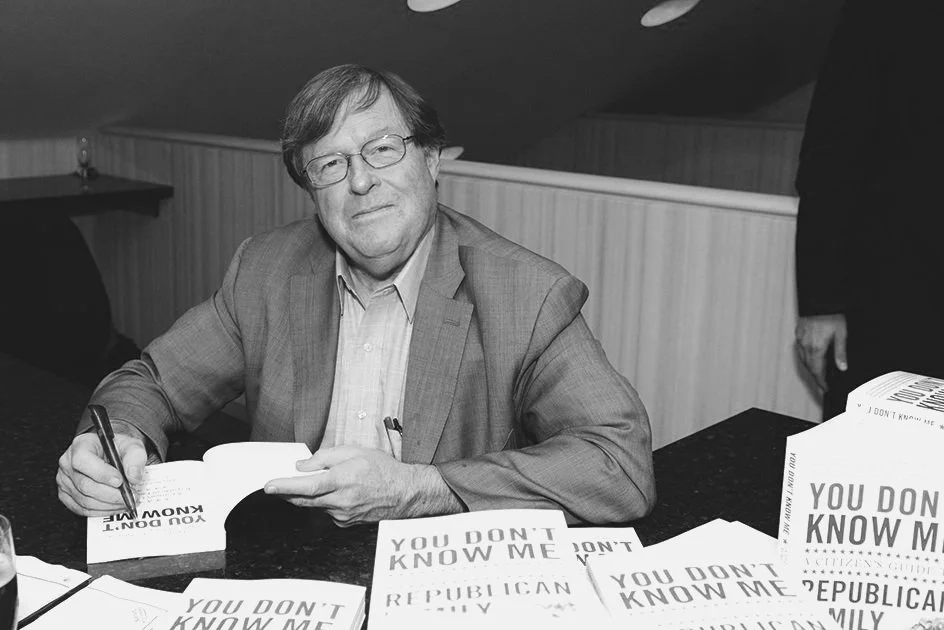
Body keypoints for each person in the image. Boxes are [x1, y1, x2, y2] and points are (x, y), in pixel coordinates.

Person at [56, 64, 656, 526]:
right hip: (290, 568)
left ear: (431, 159)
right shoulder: (264, 269)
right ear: (311, 190)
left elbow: (617, 465)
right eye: (331, 165)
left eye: (383, 149)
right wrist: (117, 442)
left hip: (442, 578)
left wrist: (419, 488)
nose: (362, 181)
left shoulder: (527, 294)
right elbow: (151, 382)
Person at [793, 0, 942, 419]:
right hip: (892, 299)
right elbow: (829, 162)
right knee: (868, 460)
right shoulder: (884, 13)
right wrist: (819, 304)